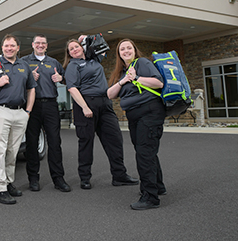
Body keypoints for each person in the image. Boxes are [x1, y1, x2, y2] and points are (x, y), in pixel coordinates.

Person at [63, 36, 138, 190]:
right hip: (86, 104)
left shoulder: (94, 58)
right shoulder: (73, 65)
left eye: (76, 46)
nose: (75, 50)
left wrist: (88, 37)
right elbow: (72, 88)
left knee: (114, 139)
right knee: (86, 142)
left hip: (105, 104)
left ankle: (119, 175)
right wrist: (84, 107)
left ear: (82, 47)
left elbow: (102, 43)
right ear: (69, 54)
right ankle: (85, 178)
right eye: (71, 49)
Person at [0, 34, 36, 205]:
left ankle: (9, 182)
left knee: (12, 150)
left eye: (12, 46)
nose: (9, 48)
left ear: (18, 48)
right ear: (2, 48)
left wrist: (28, 111)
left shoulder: (24, 65)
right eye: (6, 46)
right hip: (1, 111)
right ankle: (0, 188)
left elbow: (31, 89)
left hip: (20, 113)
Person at [107, 39, 166, 210]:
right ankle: (158, 186)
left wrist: (137, 78)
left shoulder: (142, 63)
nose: (125, 51)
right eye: (122, 49)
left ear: (134, 50)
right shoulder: (122, 71)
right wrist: (124, 80)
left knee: (144, 153)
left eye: (129, 48)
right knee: (147, 151)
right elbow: (110, 94)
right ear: (118, 54)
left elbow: (159, 83)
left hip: (149, 112)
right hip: (135, 117)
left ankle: (150, 197)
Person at [21, 34, 71, 192]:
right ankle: (33, 179)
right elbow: (17, 82)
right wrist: (28, 77)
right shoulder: (24, 61)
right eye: (38, 43)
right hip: (32, 105)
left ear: (47, 45)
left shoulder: (53, 62)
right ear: (33, 44)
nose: (40, 45)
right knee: (32, 143)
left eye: (43, 43)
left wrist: (60, 77)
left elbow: (65, 79)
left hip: (50, 105)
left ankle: (58, 179)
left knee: (55, 143)